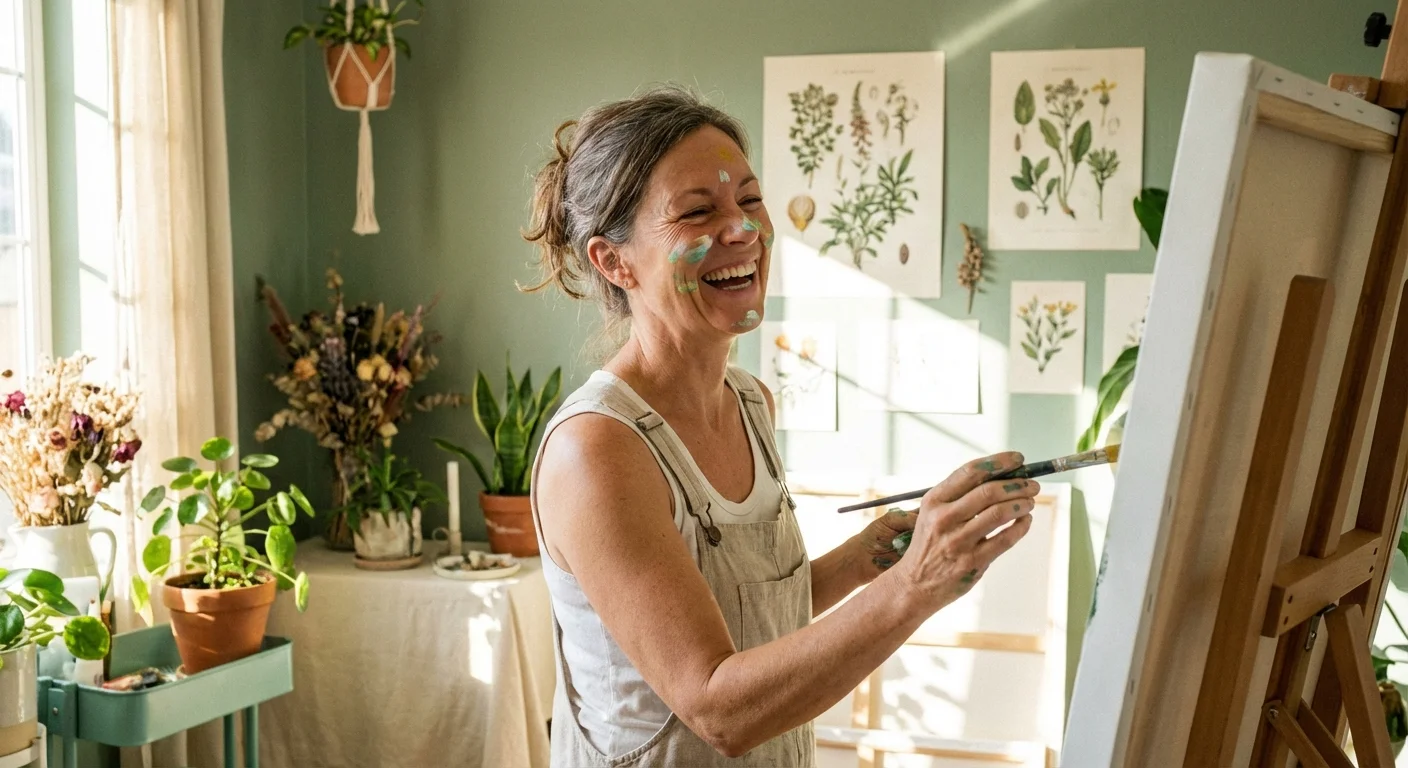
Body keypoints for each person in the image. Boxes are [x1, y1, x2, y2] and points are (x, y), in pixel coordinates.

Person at [524, 86, 1038, 767]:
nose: (741, 231)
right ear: (614, 262)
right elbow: (718, 708)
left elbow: (743, 617)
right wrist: (915, 584)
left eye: (750, 200)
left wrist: (862, 560)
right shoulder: (597, 449)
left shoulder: (751, 402)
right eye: (698, 212)